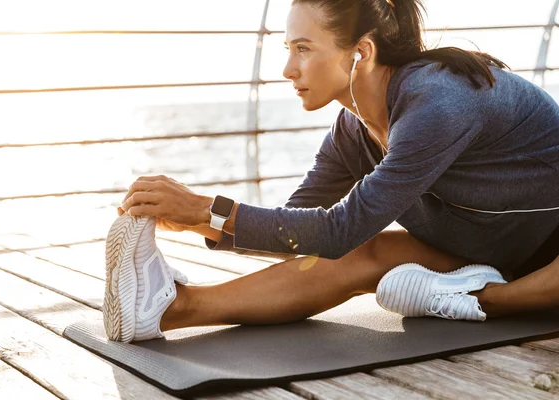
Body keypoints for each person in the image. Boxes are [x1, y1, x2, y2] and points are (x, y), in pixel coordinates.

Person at [103, 0, 559, 343]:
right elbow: (302, 230)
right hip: (487, 249)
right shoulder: (353, 129)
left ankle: (484, 301)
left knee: (348, 239)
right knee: (361, 254)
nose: (287, 68)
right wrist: (201, 218)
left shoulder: (438, 101)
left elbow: (338, 228)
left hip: (550, 251)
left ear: (360, 52)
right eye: (287, 49)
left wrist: (209, 207)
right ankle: (168, 310)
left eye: (303, 49)